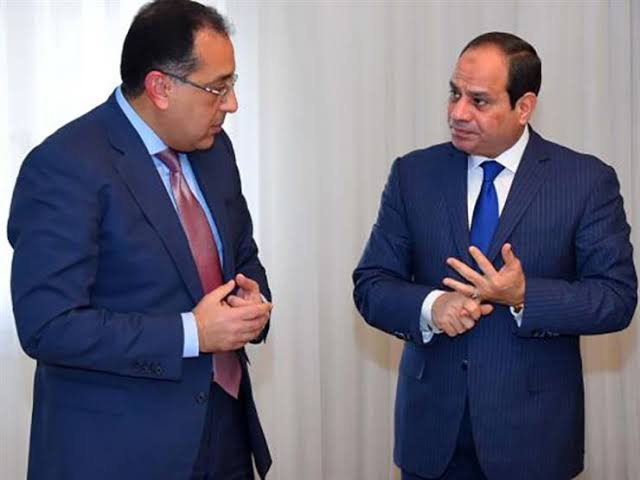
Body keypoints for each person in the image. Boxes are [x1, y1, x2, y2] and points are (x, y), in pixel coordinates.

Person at [353, 31, 637, 480]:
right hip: (432, 438)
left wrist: (524, 295)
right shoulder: (414, 174)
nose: (458, 112)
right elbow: (372, 284)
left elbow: (616, 299)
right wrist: (432, 306)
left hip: (535, 439)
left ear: (524, 107)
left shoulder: (585, 181)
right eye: (454, 94)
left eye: (479, 101)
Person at [8, 1, 272, 479]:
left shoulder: (215, 151)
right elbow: (48, 325)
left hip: (225, 429)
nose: (232, 104)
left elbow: (241, 255)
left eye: (232, 84)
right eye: (218, 88)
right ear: (161, 87)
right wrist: (192, 333)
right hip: (121, 450)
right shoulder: (65, 165)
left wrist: (250, 300)